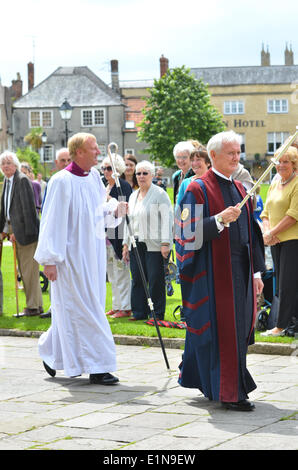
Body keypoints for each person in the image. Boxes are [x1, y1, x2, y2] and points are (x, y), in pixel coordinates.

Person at [175, 130, 265, 411]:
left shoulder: (241, 190)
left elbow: (252, 234)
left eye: (239, 152)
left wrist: (257, 273)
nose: (237, 157)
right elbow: (185, 233)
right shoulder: (196, 188)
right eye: (231, 153)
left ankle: (218, 382)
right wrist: (217, 221)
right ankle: (229, 392)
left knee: (237, 331)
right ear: (213, 156)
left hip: (241, 273)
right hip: (212, 277)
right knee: (218, 332)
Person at [34, 132, 128, 385]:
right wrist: (49, 260)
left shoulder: (94, 180)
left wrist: (114, 210)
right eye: (93, 149)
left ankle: (52, 351)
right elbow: (51, 222)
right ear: (79, 152)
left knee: (81, 309)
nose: (98, 152)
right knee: (86, 311)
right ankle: (99, 366)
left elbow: (98, 214)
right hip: (69, 259)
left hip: (93, 256)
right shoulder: (60, 181)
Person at [122, 160, 173, 321]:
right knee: (137, 278)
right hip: (135, 243)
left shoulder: (159, 194)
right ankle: (139, 312)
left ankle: (157, 314)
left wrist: (166, 243)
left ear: (151, 175)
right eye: (138, 173)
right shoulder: (132, 195)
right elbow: (128, 221)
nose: (141, 176)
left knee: (155, 279)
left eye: (145, 173)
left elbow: (167, 219)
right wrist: (125, 244)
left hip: (155, 244)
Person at [260, 145, 298, 337]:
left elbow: (293, 215)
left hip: (292, 240)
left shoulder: (297, 183)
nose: (281, 165)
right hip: (276, 241)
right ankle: (291, 325)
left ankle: (281, 326)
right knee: (282, 282)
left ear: (294, 164)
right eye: (278, 162)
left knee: (288, 284)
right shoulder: (275, 181)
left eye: (286, 162)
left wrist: (272, 232)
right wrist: (268, 232)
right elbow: (265, 211)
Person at [0, 151, 43, 317]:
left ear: (16, 165)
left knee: (29, 271)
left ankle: (32, 307)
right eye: (3, 164)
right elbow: (7, 209)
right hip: (14, 230)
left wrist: (23, 232)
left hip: (26, 233)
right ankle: (36, 306)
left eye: (8, 163)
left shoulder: (22, 180)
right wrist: (4, 230)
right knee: (25, 271)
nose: (5, 166)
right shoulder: (7, 180)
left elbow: (28, 210)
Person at [40, 148, 72, 319]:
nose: (65, 163)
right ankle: (54, 308)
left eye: (68, 160)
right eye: (62, 160)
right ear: (56, 163)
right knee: (54, 275)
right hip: (55, 238)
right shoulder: (54, 181)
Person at [101, 153, 132, 318]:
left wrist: (109, 199)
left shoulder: (123, 186)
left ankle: (125, 307)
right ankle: (116, 304)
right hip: (105, 235)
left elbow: (123, 211)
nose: (106, 172)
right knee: (112, 274)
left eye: (109, 168)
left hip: (119, 235)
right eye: (104, 168)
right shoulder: (105, 186)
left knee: (121, 272)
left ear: (117, 169)